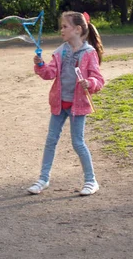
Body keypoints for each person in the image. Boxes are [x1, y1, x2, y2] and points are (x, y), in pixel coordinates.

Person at [28, 11, 105, 196]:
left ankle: (91, 181)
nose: (61, 30)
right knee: (51, 140)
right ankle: (43, 179)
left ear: (78, 29)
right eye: (61, 26)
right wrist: (40, 66)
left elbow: (98, 79)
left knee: (78, 142)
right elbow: (50, 74)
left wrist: (90, 83)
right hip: (59, 103)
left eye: (65, 26)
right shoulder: (60, 51)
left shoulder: (89, 53)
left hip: (78, 105)